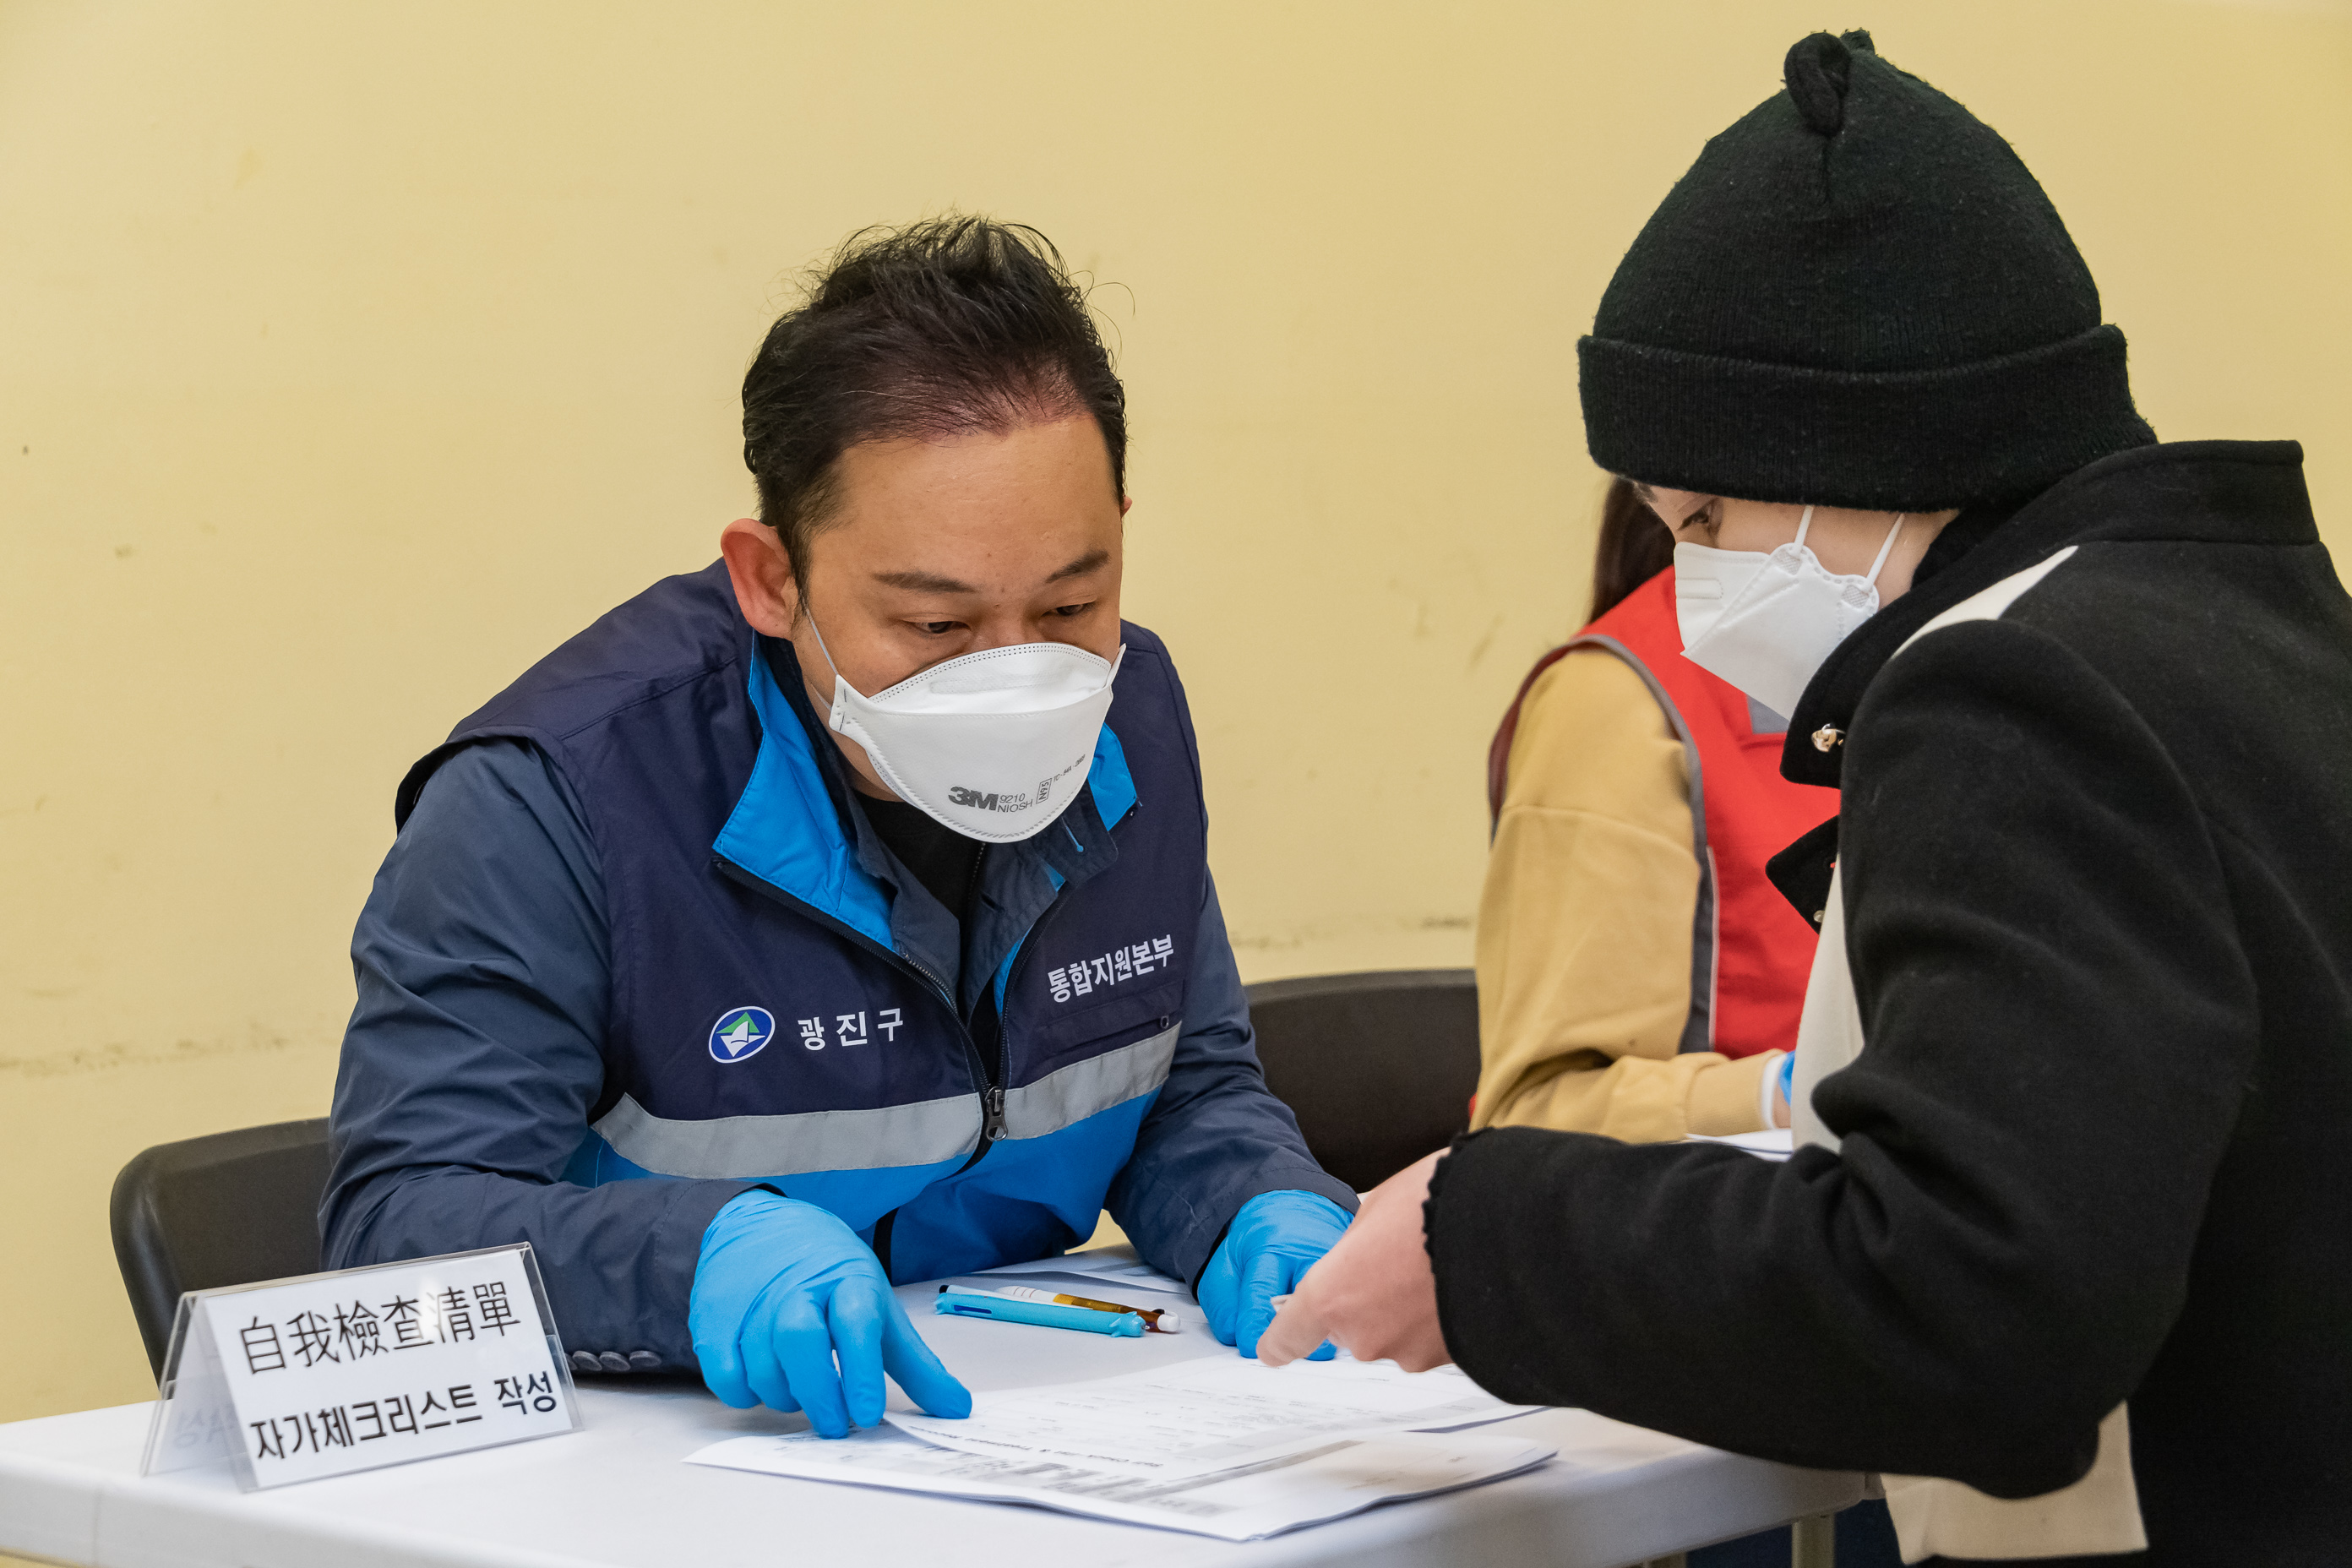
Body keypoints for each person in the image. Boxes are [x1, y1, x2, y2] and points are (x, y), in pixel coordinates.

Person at [1262, 30, 2351, 1565]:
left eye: (1705, 516)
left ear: (1857, 441)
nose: (1688, 582)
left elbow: (1977, 1302)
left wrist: (1490, 1248)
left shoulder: (2007, 687)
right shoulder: (2243, 625)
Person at [322, 218, 1358, 1440]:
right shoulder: (554, 802)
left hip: (1019, 1443)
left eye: (1075, 600)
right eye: (934, 626)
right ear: (772, 578)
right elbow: (401, 1227)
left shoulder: (1131, 717)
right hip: (658, 1477)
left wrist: (1260, 1204)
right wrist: (697, 1261)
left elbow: (1180, 1089)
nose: (1019, 677)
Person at [1475, 476, 1835, 1142]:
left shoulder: (1907, 669)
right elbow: (1540, 1111)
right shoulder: (1612, 701)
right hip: (1719, 1208)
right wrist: (1783, 1092)